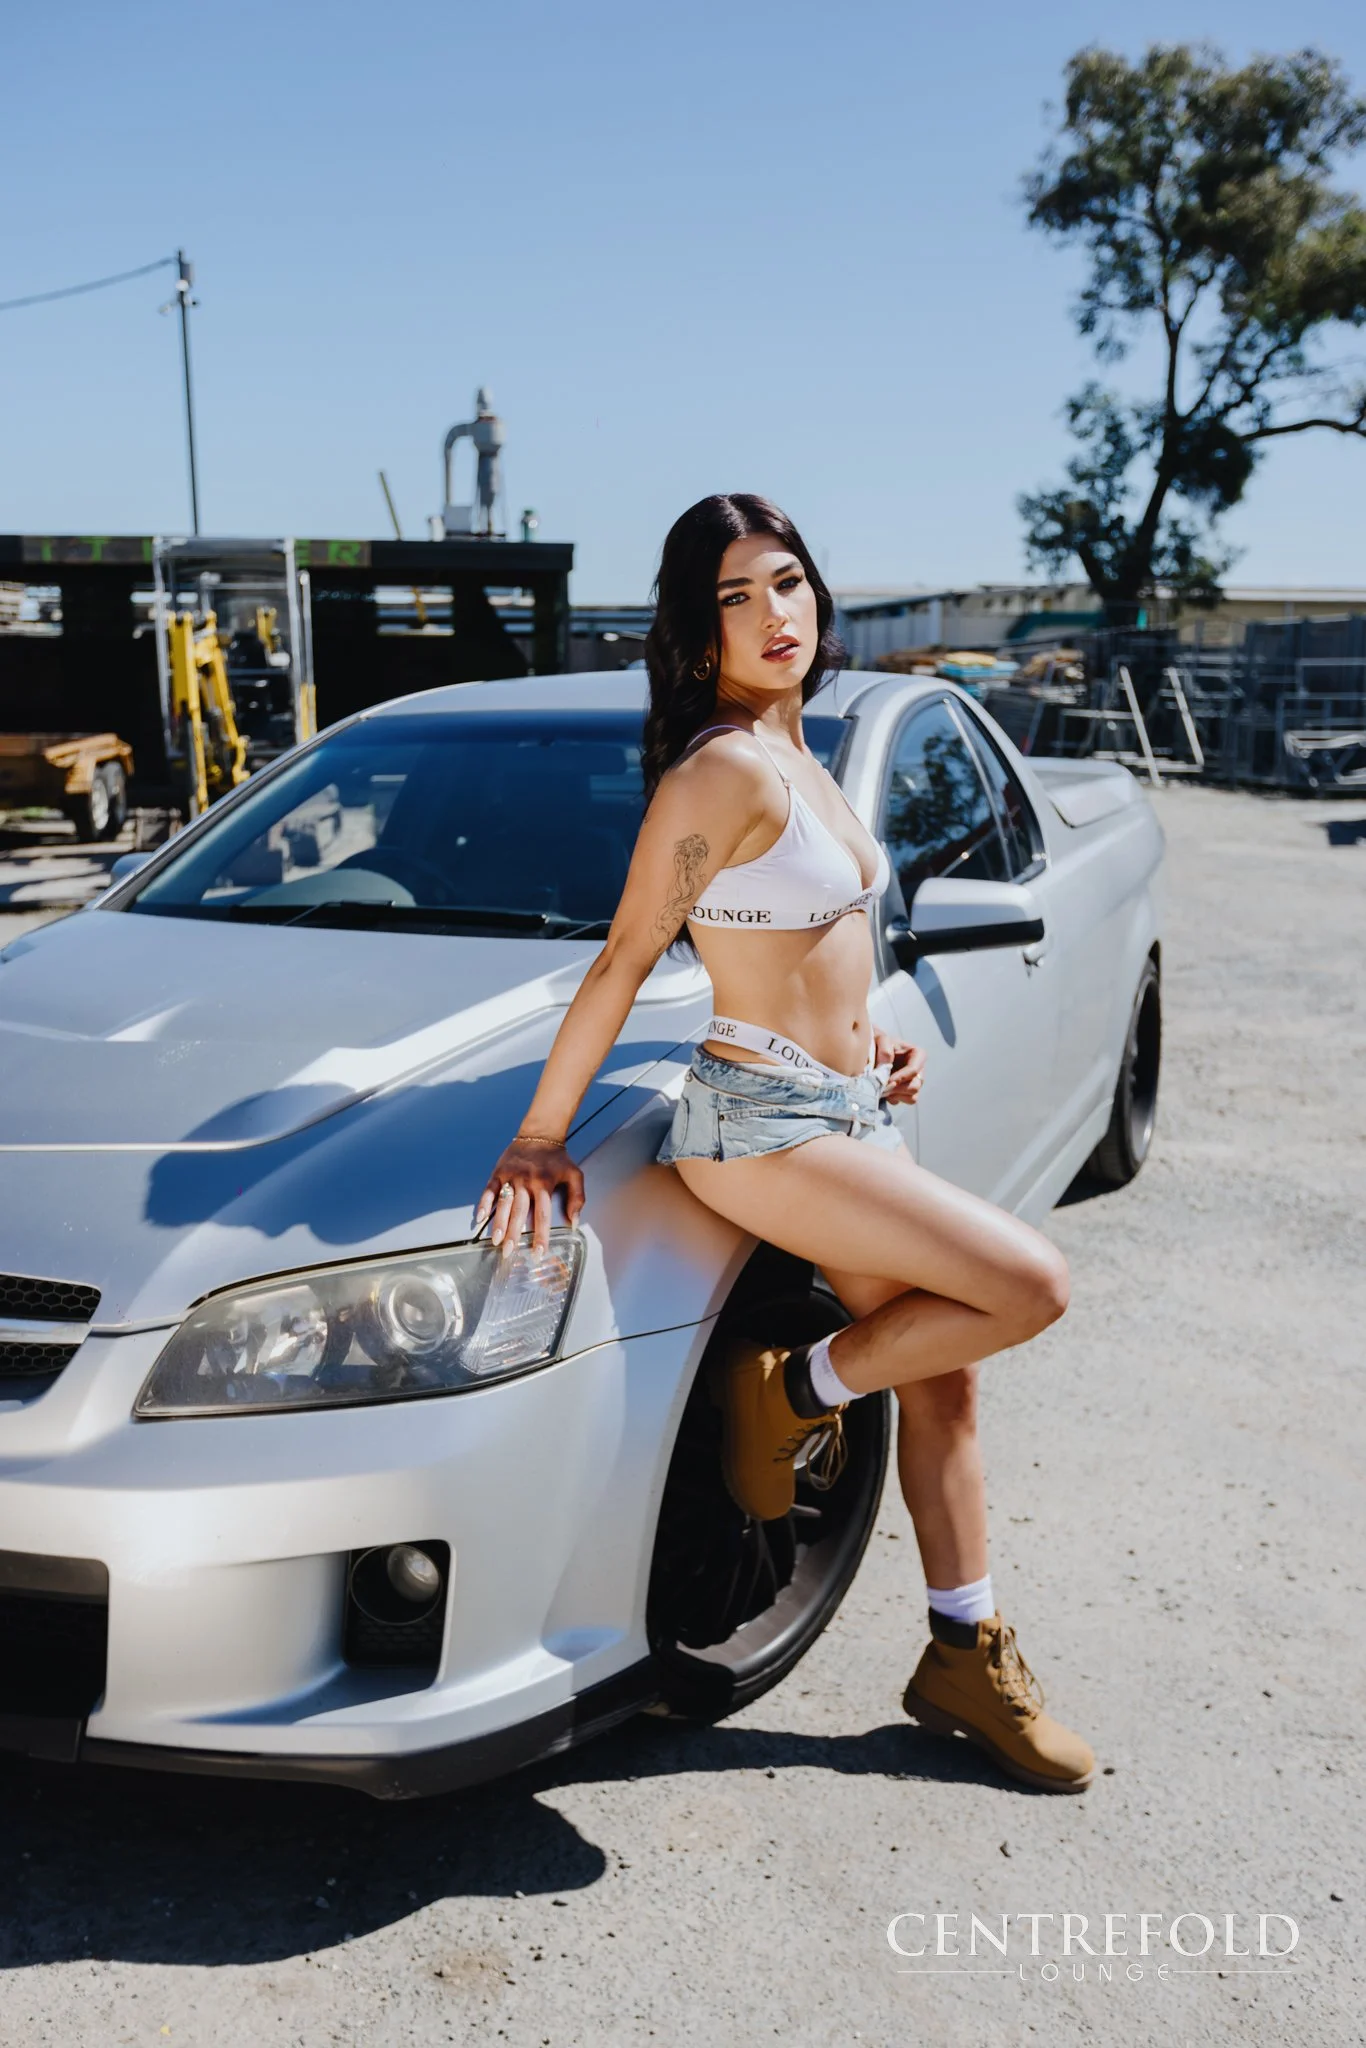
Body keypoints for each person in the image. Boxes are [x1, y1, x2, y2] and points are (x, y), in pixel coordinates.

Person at [475, 492, 1094, 1794]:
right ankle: (793, 1391)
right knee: (1030, 1286)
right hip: (754, 1125)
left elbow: (819, 950)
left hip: (842, 1107)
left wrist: (871, 1042)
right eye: (734, 598)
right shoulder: (724, 770)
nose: (772, 616)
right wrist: (539, 1134)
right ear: (697, 634)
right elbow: (628, 955)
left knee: (945, 1376)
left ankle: (962, 1649)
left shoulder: (806, 754)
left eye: (787, 584)